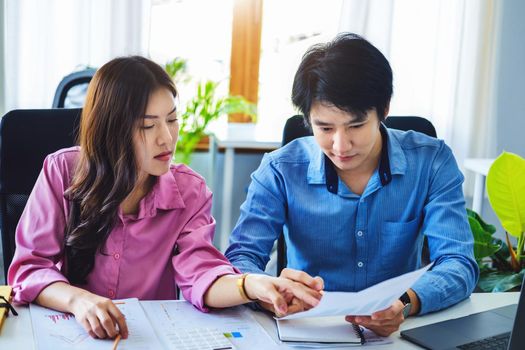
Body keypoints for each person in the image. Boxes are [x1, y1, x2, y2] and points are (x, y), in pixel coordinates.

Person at [8, 56, 322, 340]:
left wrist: (250, 285)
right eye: (148, 125)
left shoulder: (190, 191)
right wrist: (79, 300)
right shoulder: (62, 171)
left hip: (146, 340)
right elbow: (29, 268)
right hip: (65, 335)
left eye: (171, 120)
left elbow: (201, 273)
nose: (167, 138)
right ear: (111, 130)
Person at [225, 33, 479, 336]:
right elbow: (239, 260)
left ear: (383, 110)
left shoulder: (431, 161)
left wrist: (406, 302)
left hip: (397, 333)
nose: (340, 145)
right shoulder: (280, 169)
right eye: (325, 128)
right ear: (307, 120)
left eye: (356, 126)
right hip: (305, 331)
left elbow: (458, 262)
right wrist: (267, 292)